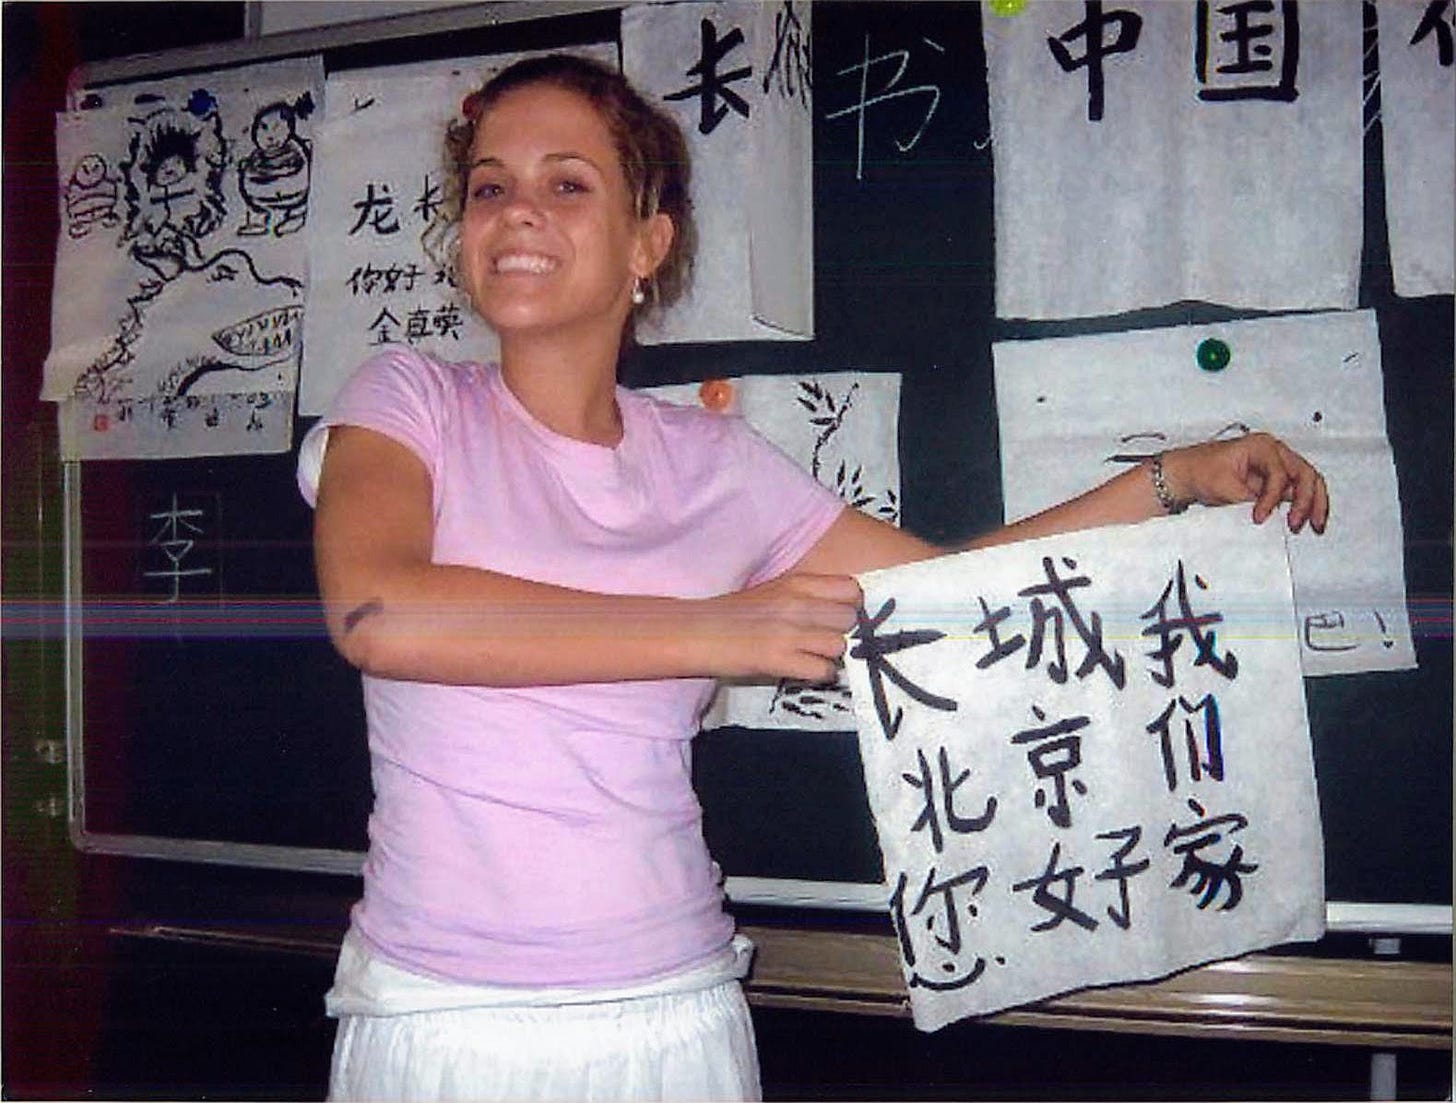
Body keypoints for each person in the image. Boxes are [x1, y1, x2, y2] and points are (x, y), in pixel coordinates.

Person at [298, 53, 1329, 1103]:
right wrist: (715, 628)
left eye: (567, 183)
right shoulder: (408, 400)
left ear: (647, 243)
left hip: (675, 1004)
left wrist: (1172, 478)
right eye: (489, 186)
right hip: (442, 1013)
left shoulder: (710, 461)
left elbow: (955, 596)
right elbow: (382, 611)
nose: (518, 212)